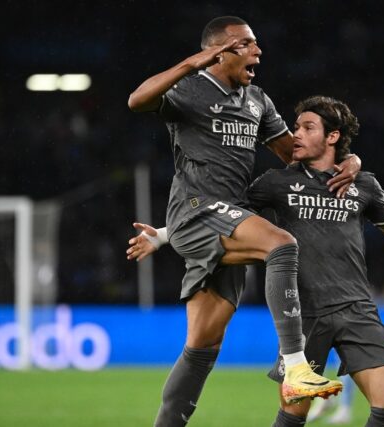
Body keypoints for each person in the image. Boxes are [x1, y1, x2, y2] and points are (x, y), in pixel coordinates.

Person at [130, 96, 384, 427]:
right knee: (294, 414)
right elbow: (226, 218)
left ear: (333, 136)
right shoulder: (276, 183)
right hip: (304, 316)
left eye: (307, 127)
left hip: (357, 307)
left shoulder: (363, 185)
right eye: (296, 126)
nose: (295, 134)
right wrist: (161, 236)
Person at [127, 17, 361, 426]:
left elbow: (295, 155)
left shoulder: (257, 100)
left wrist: (348, 160)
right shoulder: (190, 88)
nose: (258, 52)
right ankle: (296, 368)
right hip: (197, 209)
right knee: (281, 244)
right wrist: (191, 63)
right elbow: (136, 101)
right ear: (222, 50)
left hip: (229, 219)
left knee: (202, 347)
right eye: (248, 44)